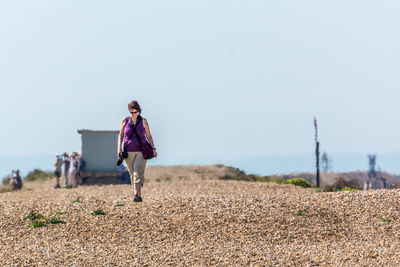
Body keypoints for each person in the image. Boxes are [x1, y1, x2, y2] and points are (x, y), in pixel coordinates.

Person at [117, 100, 157, 202]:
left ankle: (136, 194)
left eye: (135, 112)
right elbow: (121, 135)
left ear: (138, 111)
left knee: (138, 172)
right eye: (131, 112)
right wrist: (119, 148)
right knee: (132, 173)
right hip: (128, 150)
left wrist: (153, 148)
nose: (133, 114)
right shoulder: (125, 121)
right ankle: (138, 194)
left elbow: (149, 136)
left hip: (141, 151)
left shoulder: (143, 121)